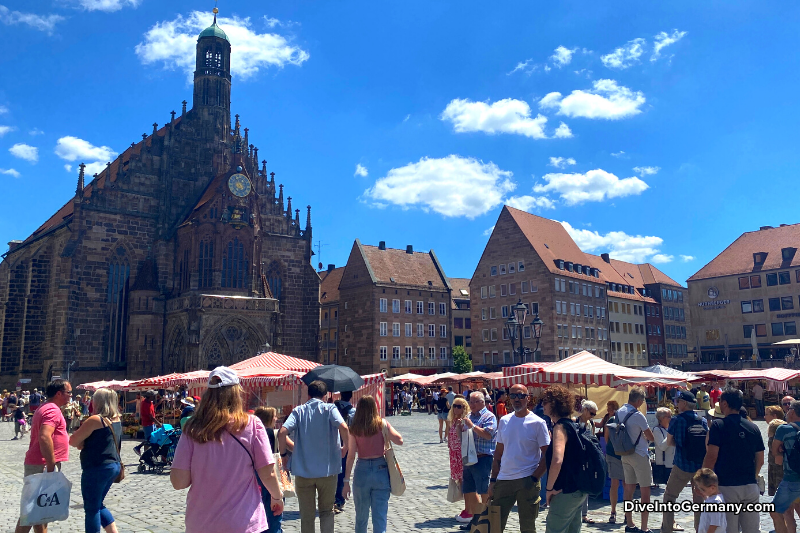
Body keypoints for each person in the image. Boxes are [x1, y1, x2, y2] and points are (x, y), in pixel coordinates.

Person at [171, 367, 283, 533]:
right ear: (236, 393)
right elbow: (268, 473)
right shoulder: (252, 425)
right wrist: (277, 496)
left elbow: (178, 481)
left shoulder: (192, 428)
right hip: (242, 522)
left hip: (201, 524)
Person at [278, 380, 348, 533]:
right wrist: (345, 447)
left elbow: (282, 432)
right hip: (328, 471)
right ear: (325, 395)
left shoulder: (299, 411)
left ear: (308, 395)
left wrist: (284, 455)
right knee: (326, 511)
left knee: (307, 515)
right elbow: (343, 427)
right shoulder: (330, 409)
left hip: (304, 472)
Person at [488, 383, 550, 533]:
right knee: (494, 525)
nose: (517, 399)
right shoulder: (504, 421)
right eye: (513, 395)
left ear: (528, 398)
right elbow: (498, 453)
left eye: (521, 395)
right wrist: (493, 480)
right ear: (509, 398)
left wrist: (535, 478)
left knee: (527, 527)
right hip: (504, 480)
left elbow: (548, 454)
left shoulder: (538, 423)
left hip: (527, 481)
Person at [703, 387, 764, 533]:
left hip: (727, 486)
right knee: (752, 530)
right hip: (750, 486)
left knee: (730, 529)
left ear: (724, 404)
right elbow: (760, 459)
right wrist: (753, 476)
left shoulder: (718, 425)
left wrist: (704, 481)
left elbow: (712, 456)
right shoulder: (753, 427)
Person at [15, 379, 72, 533]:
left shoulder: (47, 407)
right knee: (31, 511)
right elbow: (45, 436)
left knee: (40, 511)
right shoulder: (52, 410)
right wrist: (51, 463)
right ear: (59, 393)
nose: (70, 396)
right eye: (69, 392)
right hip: (43, 464)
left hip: (41, 463)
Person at [341, 395, 403, 533]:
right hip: (380, 469)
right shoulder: (381, 424)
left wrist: (346, 481)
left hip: (362, 470)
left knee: (361, 518)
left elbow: (350, 456)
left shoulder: (354, 429)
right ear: (374, 408)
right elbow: (400, 440)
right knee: (380, 517)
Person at [68, 388, 122, 533]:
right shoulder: (117, 419)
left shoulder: (95, 420)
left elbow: (73, 441)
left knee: (91, 509)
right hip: (113, 465)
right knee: (97, 504)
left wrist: (81, 440)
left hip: (97, 467)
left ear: (98, 402)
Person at [660, 390, 706, 533]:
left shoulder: (677, 420)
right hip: (699, 466)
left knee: (669, 497)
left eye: (678, 401)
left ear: (684, 403)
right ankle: (700, 529)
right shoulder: (702, 420)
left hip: (681, 464)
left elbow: (669, 441)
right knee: (699, 501)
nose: (677, 404)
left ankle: (667, 529)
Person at [543, 385, 586, 533]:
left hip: (564, 491)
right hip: (577, 489)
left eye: (545, 402)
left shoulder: (560, 427)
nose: (542, 405)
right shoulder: (572, 425)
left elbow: (557, 460)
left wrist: (548, 489)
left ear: (554, 404)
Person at [616, 387, 655, 533]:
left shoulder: (619, 411)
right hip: (639, 454)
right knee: (645, 491)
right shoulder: (638, 415)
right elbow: (650, 436)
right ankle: (644, 527)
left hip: (625, 453)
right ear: (639, 400)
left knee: (629, 489)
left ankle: (630, 523)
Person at [458, 392, 497, 531]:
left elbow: (488, 435)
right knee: (469, 491)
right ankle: (475, 520)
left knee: (483, 491)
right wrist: (460, 427)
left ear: (482, 402)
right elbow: (462, 436)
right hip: (469, 459)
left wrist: (472, 426)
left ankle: (487, 520)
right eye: (470, 401)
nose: (471, 404)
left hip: (483, 458)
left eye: (474, 402)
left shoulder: (489, 416)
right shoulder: (469, 416)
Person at [770, 399, 800, 533]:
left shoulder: (784, 429)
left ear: (792, 412)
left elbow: (774, 451)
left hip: (791, 478)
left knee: (775, 511)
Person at [254, 406, 285, 533]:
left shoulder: (253, 433)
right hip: (270, 476)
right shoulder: (271, 433)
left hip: (255, 477)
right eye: (274, 416)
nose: (276, 418)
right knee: (274, 518)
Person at [449, 397, 473, 524]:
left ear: (465, 407)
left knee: (466, 483)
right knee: (461, 482)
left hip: (462, 455)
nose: (457, 408)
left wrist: (458, 427)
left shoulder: (464, 421)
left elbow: (463, 438)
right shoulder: (453, 420)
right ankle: (467, 508)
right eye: (455, 406)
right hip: (454, 456)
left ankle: (470, 509)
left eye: (460, 406)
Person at [575, 400, 597, 524]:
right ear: (585, 410)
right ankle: (574, 513)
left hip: (587, 459)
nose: (592, 416)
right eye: (592, 413)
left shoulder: (591, 423)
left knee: (586, 487)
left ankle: (584, 514)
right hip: (577, 458)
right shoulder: (575, 422)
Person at [334, 391, 356, 515]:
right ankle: (339, 499)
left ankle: (330, 497)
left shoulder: (333, 408)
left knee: (332, 471)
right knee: (343, 472)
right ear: (351, 396)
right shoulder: (352, 411)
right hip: (347, 444)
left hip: (332, 444)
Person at [603, 401, 623, 524]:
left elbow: (606, 438)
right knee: (628, 485)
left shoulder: (611, 420)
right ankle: (627, 514)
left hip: (613, 454)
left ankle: (613, 512)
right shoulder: (628, 419)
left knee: (614, 484)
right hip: (626, 454)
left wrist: (610, 448)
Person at [694, 468, 727, 533]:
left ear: (712, 488)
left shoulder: (715, 503)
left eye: (703, 489)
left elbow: (714, 524)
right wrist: (703, 496)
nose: (701, 491)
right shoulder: (715, 497)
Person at [767, 405, 788, 497]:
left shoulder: (775, 439)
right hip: (775, 469)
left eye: (766, 414)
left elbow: (778, 460)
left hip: (778, 471)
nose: (764, 417)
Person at [652, 407, 674, 490]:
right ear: (661, 418)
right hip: (664, 464)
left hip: (673, 462)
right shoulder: (657, 430)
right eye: (668, 416)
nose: (670, 418)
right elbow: (662, 447)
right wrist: (670, 435)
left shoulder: (669, 429)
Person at [133, 391, 158, 456]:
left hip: (151, 423)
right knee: (148, 440)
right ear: (150, 396)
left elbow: (152, 409)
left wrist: (159, 403)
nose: (155, 397)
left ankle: (149, 453)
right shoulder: (145, 404)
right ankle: (145, 454)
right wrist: (159, 424)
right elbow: (151, 416)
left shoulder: (150, 402)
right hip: (148, 424)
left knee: (153, 438)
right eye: (154, 396)